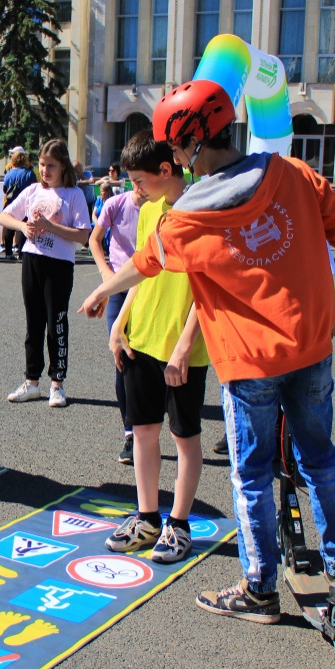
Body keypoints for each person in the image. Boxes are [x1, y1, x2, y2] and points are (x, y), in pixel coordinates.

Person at [79, 79, 335, 624]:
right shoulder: (295, 174)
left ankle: (259, 589)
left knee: (252, 475)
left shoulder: (189, 214)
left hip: (249, 362)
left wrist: (101, 290)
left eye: (177, 146)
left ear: (189, 145)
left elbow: (148, 261)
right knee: (321, 463)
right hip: (311, 348)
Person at [104, 133, 208, 563]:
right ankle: (147, 517)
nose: (134, 189)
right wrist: (120, 323)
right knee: (144, 432)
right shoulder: (147, 211)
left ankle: (178, 525)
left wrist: (185, 345)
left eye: (139, 180)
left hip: (183, 347)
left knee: (185, 437)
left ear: (166, 170)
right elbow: (142, 270)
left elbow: (211, 287)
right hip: (141, 339)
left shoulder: (202, 210)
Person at [0, 139, 93, 408]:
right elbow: (4, 216)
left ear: (63, 166)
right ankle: (31, 382)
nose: (45, 170)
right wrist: (22, 226)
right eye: (41, 164)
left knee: (56, 323)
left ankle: (57, 383)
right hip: (32, 260)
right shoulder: (32, 190)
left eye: (51, 165)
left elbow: (84, 234)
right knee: (33, 322)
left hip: (59, 265)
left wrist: (50, 226)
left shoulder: (73, 195)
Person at [88, 133, 148, 463]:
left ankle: (151, 426)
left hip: (150, 289)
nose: (137, 184)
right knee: (121, 354)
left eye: (141, 177)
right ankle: (129, 433)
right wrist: (107, 278)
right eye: (132, 177)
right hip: (120, 286)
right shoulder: (115, 203)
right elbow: (95, 240)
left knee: (150, 360)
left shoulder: (159, 207)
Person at [0, 148, 37, 259]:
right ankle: (21, 252)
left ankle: (8, 252)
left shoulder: (9, 173)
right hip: (25, 203)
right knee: (24, 226)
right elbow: (34, 188)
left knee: (10, 227)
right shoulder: (29, 173)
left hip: (11, 202)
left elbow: (5, 188)